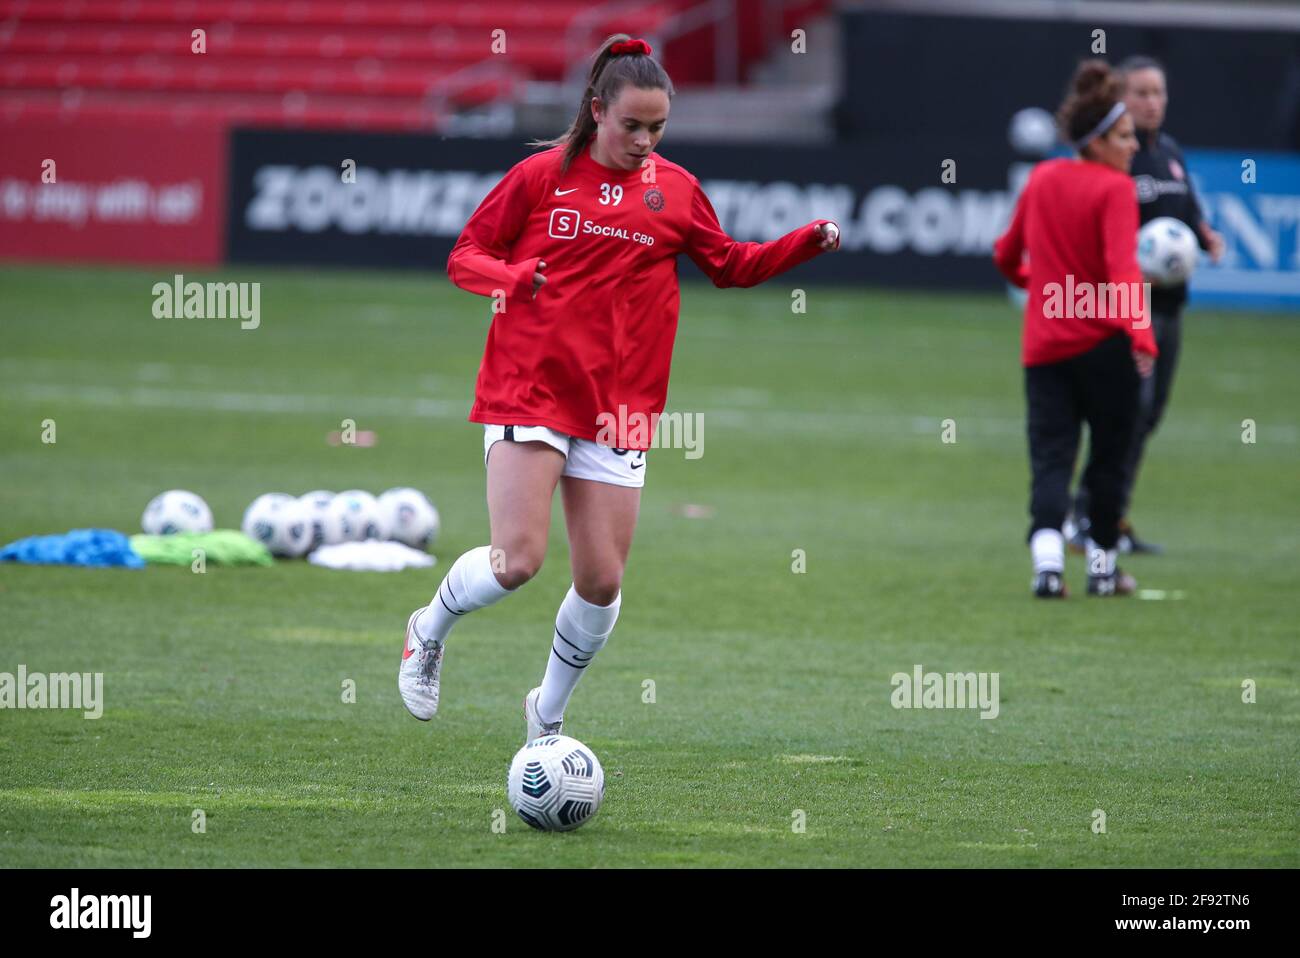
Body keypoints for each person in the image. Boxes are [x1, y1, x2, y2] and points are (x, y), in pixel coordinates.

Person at [399, 34, 841, 736]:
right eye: (632, 125)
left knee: (601, 585)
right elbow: (466, 255)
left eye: (657, 128)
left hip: (620, 407)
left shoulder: (676, 191)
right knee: (518, 560)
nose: (644, 141)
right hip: (531, 384)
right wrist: (510, 279)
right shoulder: (541, 177)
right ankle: (428, 629)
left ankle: (545, 712)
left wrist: (801, 244)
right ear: (597, 111)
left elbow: (729, 264)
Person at [993, 59, 1158, 598]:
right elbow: (1122, 270)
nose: (1133, 146)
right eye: (1125, 136)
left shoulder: (1042, 177)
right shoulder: (1113, 190)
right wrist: (1142, 334)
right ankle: (1104, 570)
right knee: (1108, 457)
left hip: (1045, 347)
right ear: (1096, 140)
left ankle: (1046, 568)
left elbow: (1004, 253)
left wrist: (1035, 282)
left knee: (1050, 457)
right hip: (1105, 348)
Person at [1067, 55, 1225, 555]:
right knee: (1125, 413)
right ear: (1120, 100)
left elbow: (1188, 212)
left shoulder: (1171, 154)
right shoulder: (1117, 159)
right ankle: (1088, 517)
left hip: (1171, 305)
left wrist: (1205, 237)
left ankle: (1112, 515)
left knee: (1149, 414)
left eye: (1158, 94)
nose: (1151, 104)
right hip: (1125, 307)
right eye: (1140, 94)